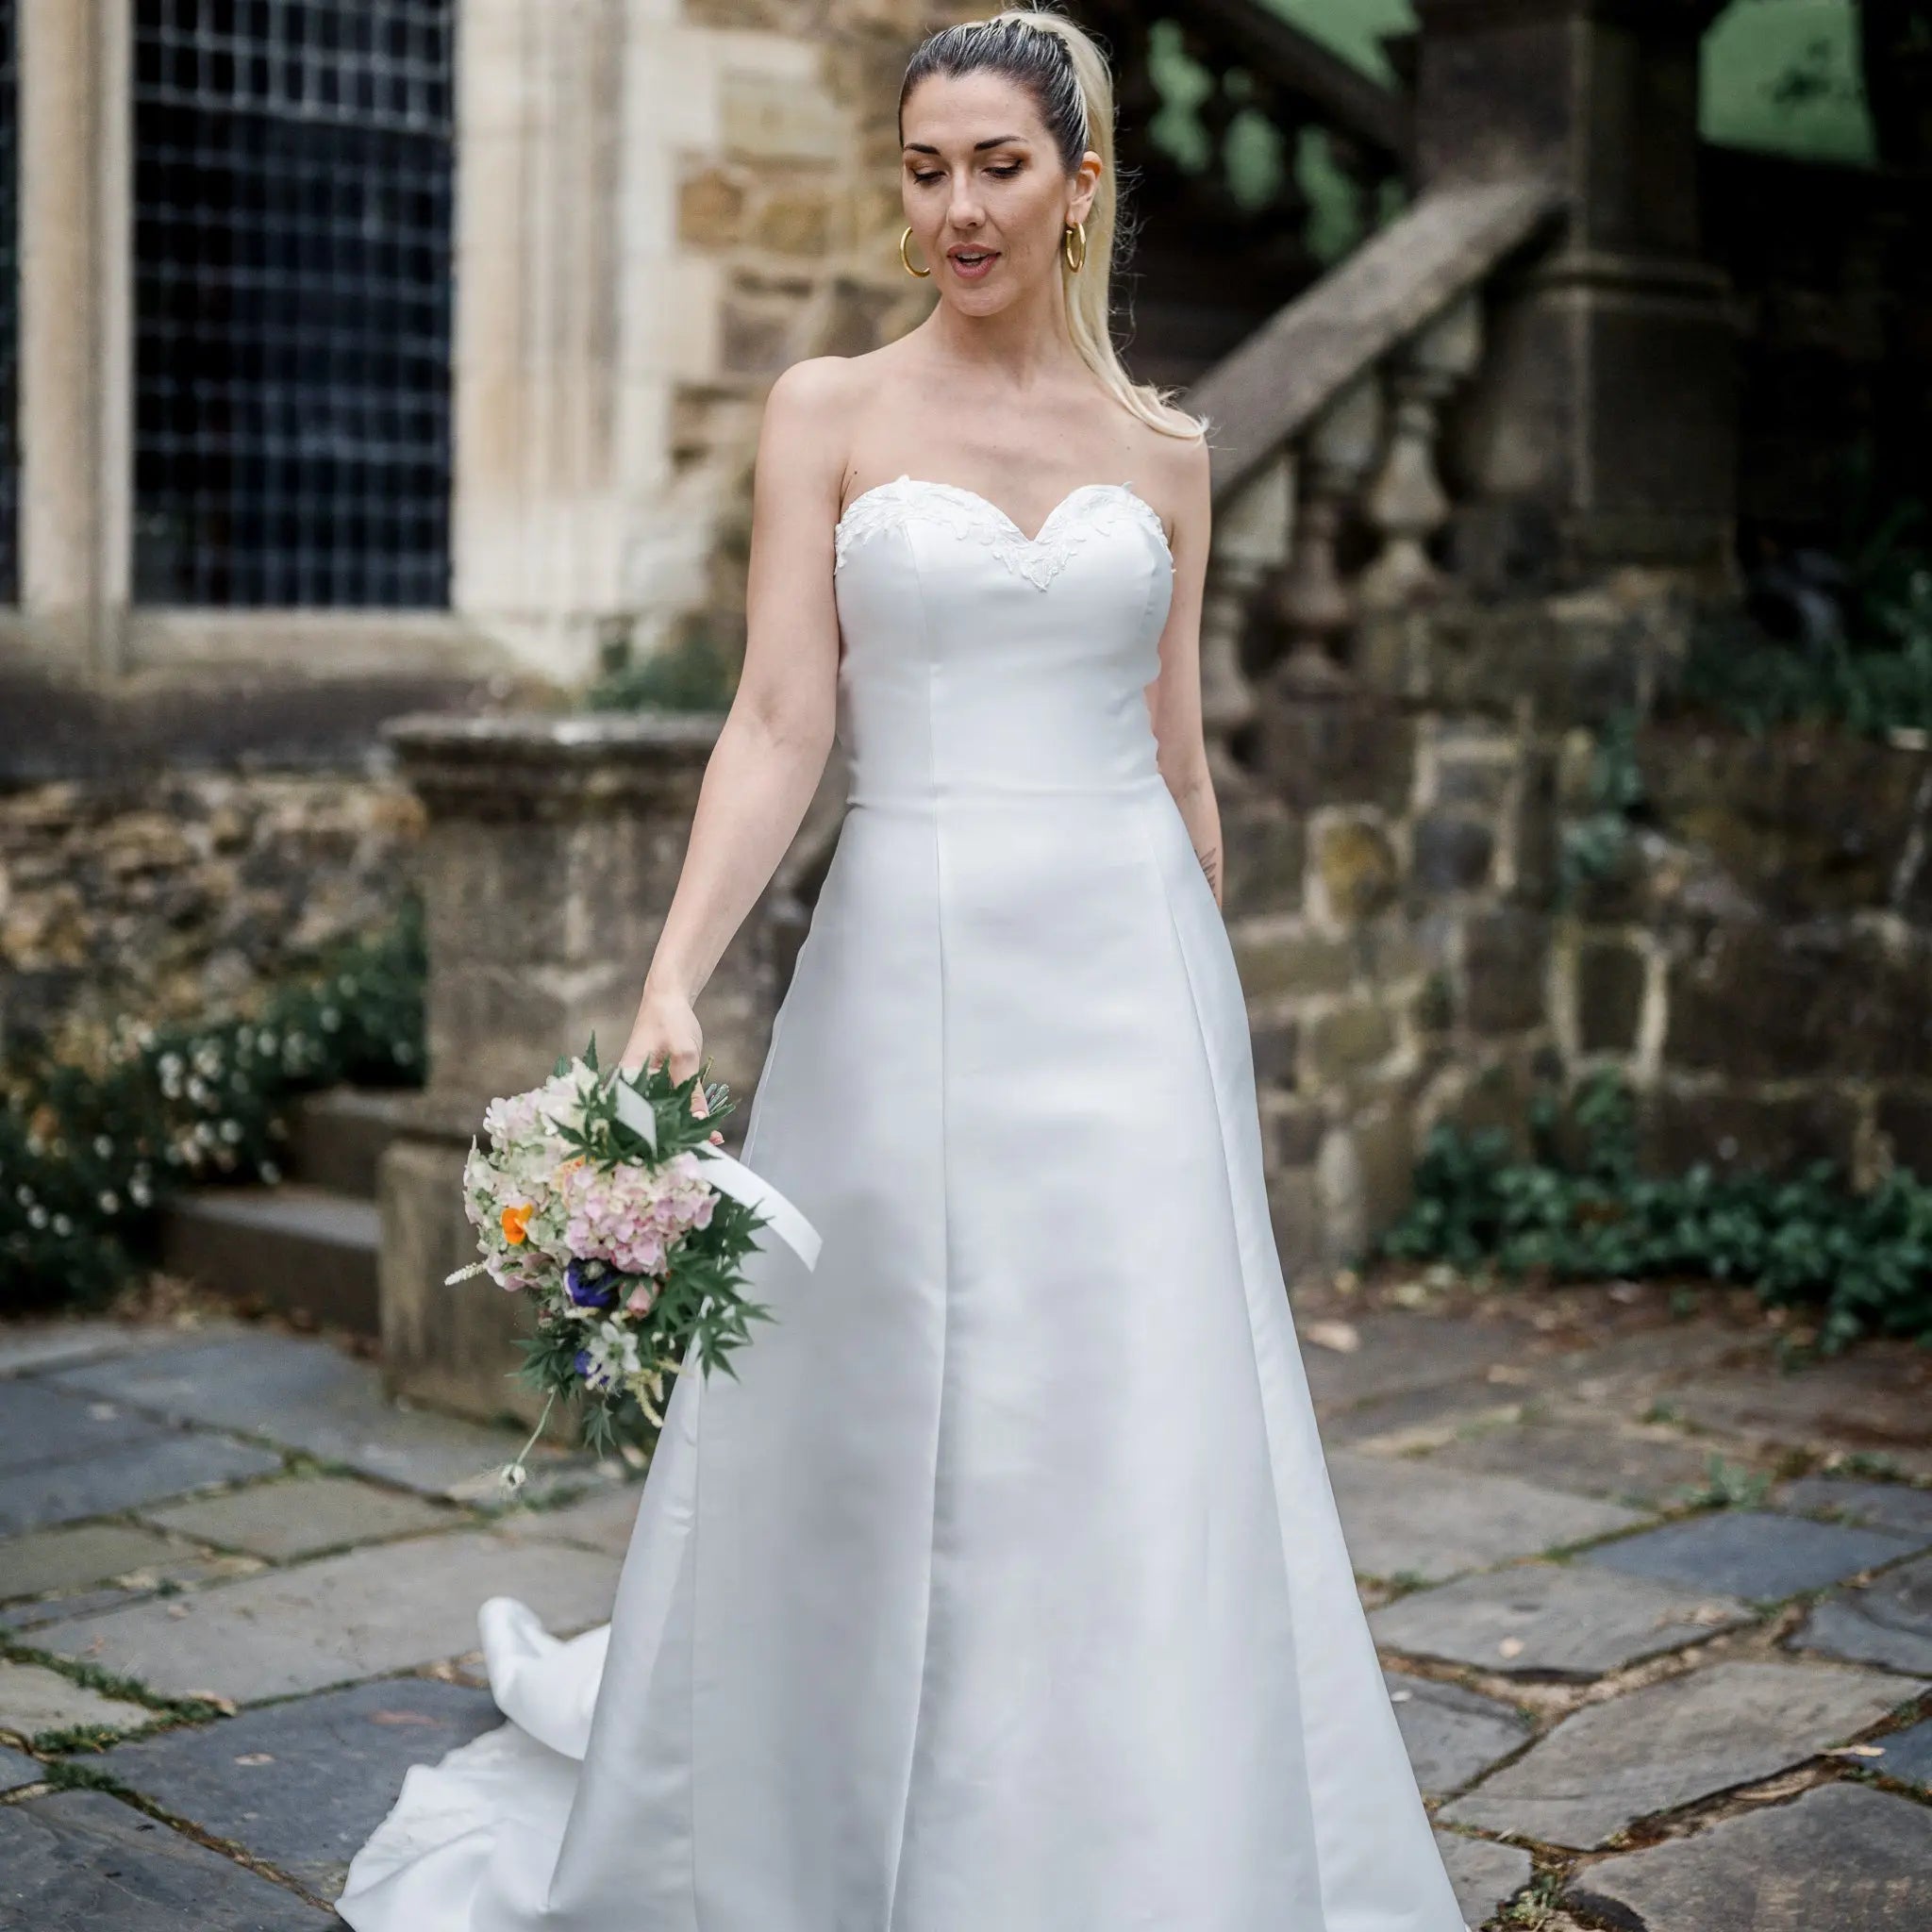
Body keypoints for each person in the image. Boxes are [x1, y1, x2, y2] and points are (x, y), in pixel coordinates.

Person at [337, 8, 1469, 1928]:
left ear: (1080, 182)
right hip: (908, 969)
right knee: (875, 1399)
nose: (955, 207)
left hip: (1132, 978)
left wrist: (1212, 1027)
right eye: (926, 167)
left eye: (998, 167)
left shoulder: (1165, 454)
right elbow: (782, 718)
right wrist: (675, 977)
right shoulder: (829, 410)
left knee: (1130, 1406)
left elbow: (1180, 755)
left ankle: (1143, 1834)